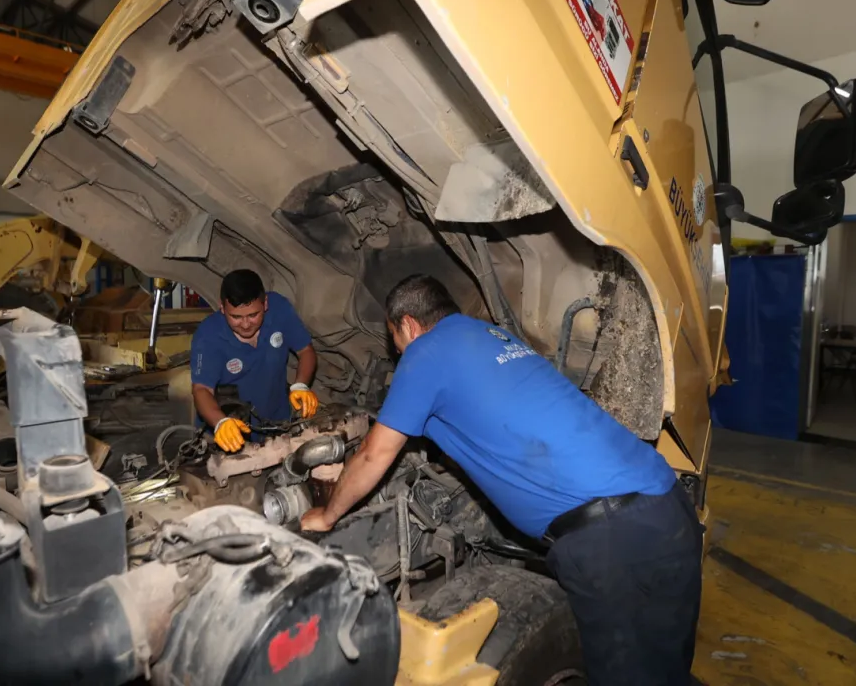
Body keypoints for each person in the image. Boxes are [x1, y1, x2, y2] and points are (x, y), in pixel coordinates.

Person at [301, 274, 703, 686]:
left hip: (613, 540)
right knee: (666, 671)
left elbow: (374, 454)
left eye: (394, 338)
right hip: (665, 507)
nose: (398, 349)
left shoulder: (425, 352)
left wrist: (327, 515)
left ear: (408, 324)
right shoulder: (493, 336)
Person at [191, 269, 320, 452]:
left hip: (278, 425)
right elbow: (201, 389)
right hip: (228, 431)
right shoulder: (208, 336)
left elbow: (305, 350)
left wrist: (301, 385)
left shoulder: (280, 309)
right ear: (222, 308)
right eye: (236, 317)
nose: (245, 324)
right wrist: (220, 422)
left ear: (265, 303)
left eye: (253, 315)